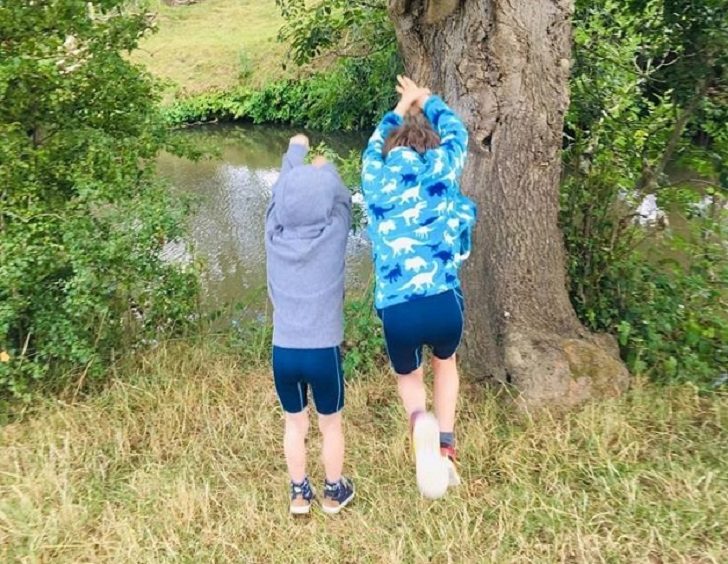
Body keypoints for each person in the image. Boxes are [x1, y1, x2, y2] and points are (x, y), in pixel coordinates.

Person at [361, 76, 476, 499]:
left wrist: (400, 106)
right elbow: (459, 133)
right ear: (430, 145)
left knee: (408, 375)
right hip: (445, 302)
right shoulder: (443, 167)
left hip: (398, 310)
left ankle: (418, 422)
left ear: (391, 150)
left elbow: (371, 146)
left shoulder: (376, 177)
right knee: (446, 364)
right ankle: (445, 450)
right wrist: (427, 99)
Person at [265, 133, 355, 515]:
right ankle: (334, 491)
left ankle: (300, 494)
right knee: (330, 424)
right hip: (322, 352)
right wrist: (325, 170)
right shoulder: (333, 234)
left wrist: (295, 152)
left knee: (294, 424)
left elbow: (277, 197)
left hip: (284, 352)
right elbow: (343, 198)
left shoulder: (273, 235)